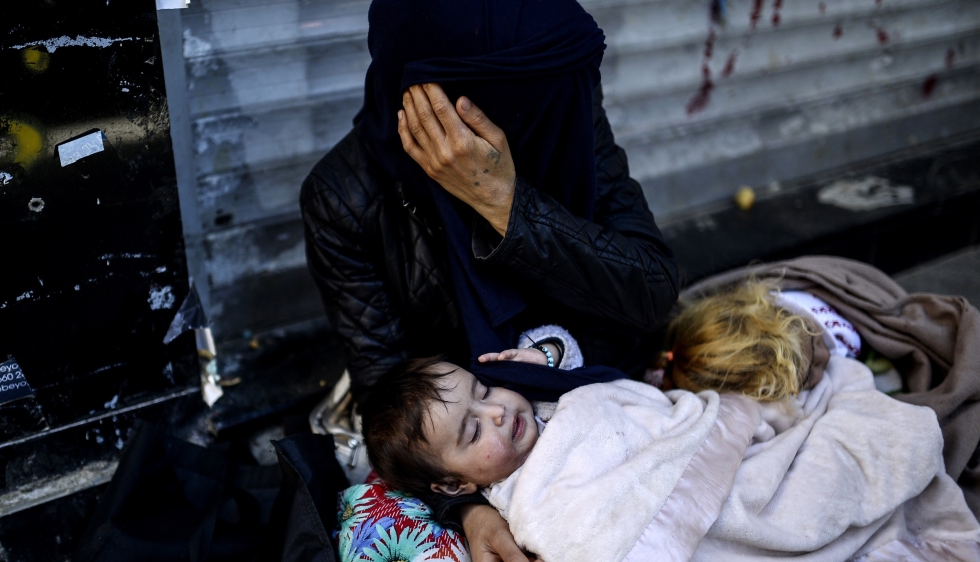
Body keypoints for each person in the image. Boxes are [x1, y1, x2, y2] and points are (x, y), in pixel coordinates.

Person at [300, 0, 679, 557]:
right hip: (480, 458)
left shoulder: (558, 89)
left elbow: (653, 292)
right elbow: (386, 391)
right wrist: (468, 508)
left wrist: (506, 205)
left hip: (613, 387)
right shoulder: (344, 200)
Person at [361, 283, 980, 561]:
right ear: (453, 484)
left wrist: (543, 360)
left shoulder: (536, 401)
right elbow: (590, 539)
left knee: (816, 438)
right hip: (664, 517)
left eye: (483, 390)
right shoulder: (527, 501)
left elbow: (587, 374)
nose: (498, 410)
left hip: (705, 445)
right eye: (473, 431)